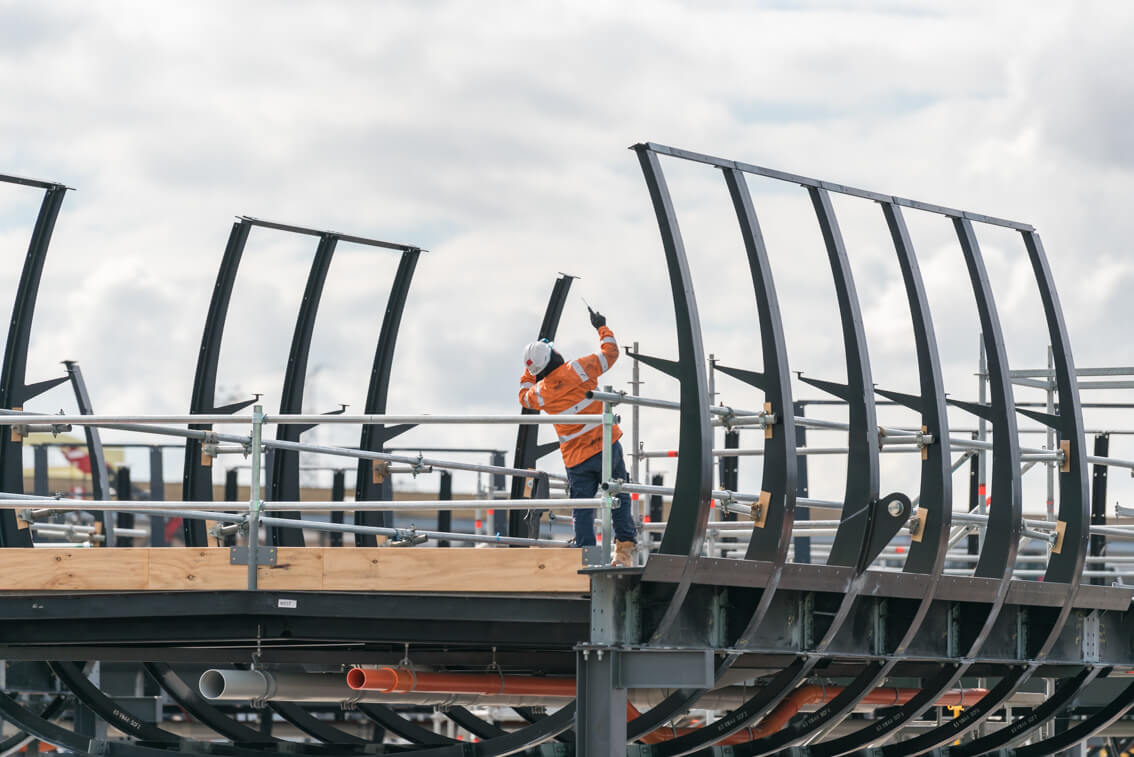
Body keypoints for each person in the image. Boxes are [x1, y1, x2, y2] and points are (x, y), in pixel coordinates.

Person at [518, 307, 637, 566]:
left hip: (576, 457)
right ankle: (624, 550)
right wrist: (601, 327)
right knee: (619, 495)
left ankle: (586, 556)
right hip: (606, 446)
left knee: (582, 506)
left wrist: (530, 370)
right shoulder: (579, 368)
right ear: (554, 355)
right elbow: (610, 353)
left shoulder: (541, 393)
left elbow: (524, 395)